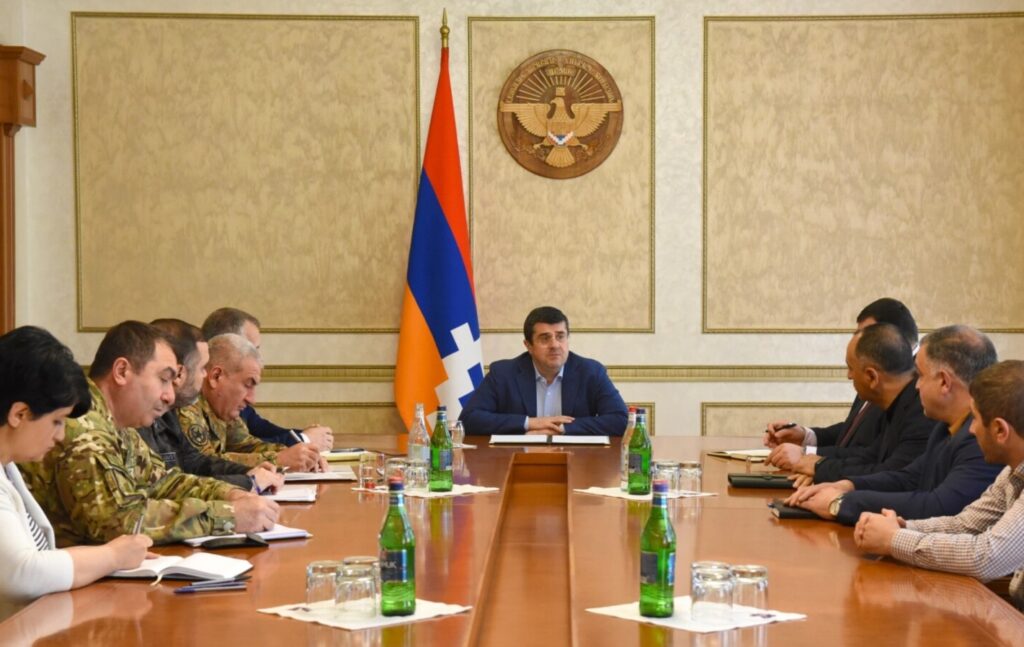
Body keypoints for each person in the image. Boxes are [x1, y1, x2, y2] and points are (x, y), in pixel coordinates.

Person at [19, 321, 279, 546]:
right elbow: (118, 522)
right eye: (163, 379)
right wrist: (226, 515)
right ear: (122, 372)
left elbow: (163, 481)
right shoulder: (85, 429)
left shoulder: (119, 425)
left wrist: (229, 493)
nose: (170, 395)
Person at [0, 326, 152, 621]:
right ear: (19, 414)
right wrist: (112, 556)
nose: (60, 436)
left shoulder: (8, 466)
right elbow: (21, 573)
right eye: (57, 421)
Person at [785, 325, 1001, 523]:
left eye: (921, 376)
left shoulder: (982, 437)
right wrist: (847, 485)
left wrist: (841, 503)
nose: (916, 386)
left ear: (944, 382)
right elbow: (908, 478)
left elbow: (939, 506)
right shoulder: (945, 428)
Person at [855, 360, 1024, 611]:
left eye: (975, 419)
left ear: (1000, 430)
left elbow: (987, 556)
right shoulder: (1012, 471)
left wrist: (893, 539)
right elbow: (966, 524)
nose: (971, 430)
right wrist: (903, 526)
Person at [767, 323, 934, 483]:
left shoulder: (921, 410)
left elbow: (892, 474)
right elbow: (870, 456)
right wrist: (815, 464)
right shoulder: (898, 401)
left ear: (872, 377)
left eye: (851, 368)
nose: (849, 376)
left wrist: (818, 467)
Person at [136, 319, 283, 492]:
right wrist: (247, 483)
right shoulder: (135, 419)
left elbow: (193, 462)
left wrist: (247, 473)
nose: (205, 376)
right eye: (201, 368)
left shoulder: (167, 413)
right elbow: (160, 490)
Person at [765, 298, 919, 457]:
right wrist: (805, 436)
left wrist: (806, 454)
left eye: (867, 335)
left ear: (891, 338)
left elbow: (873, 455)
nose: (859, 341)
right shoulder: (869, 371)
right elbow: (854, 431)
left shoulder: (911, 385)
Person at [460, 306, 628, 436]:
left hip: (577, 461)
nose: (555, 345)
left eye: (560, 336)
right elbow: (469, 419)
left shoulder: (591, 372)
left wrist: (562, 428)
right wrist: (529, 423)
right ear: (528, 345)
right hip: (517, 459)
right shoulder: (503, 373)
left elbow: (621, 420)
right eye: (545, 338)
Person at [177, 333, 326, 472]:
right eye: (248, 385)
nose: (252, 399)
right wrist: (278, 460)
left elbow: (247, 445)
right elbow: (203, 464)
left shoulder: (224, 409)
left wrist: (302, 455)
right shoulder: (187, 404)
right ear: (216, 376)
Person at [202, 307, 333, 450]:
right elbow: (212, 458)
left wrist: (305, 437)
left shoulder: (229, 401)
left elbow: (251, 443)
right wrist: (303, 440)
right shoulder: (190, 401)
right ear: (227, 344)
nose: (252, 399)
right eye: (253, 349)